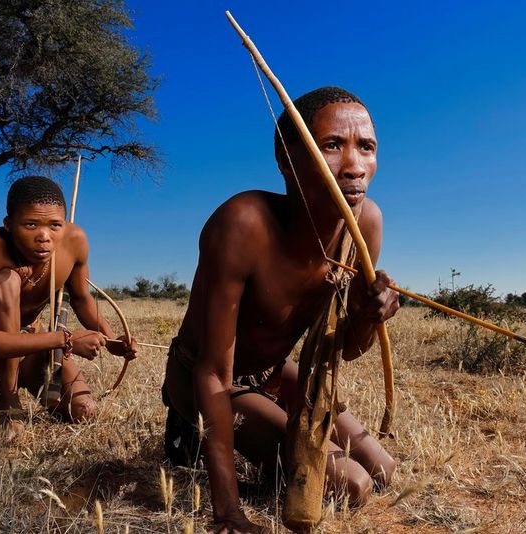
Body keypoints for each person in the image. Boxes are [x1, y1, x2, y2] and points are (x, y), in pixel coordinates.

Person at [162, 87, 400, 533]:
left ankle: (254, 428)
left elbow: (345, 349)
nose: (354, 166)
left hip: (275, 371)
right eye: (332, 145)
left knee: (386, 472)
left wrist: (369, 316)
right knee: (352, 484)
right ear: (288, 160)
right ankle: (188, 429)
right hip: (207, 379)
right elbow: (213, 372)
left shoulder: (366, 223)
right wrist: (228, 512)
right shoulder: (244, 223)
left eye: (366, 147)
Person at [0, 176, 137, 441]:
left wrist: (110, 339)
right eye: (30, 224)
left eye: (55, 225)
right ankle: (7, 399)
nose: (44, 237)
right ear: (8, 225)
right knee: (7, 282)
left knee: (83, 411)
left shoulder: (75, 240)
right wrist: (66, 339)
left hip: (34, 345)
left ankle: (25, 380)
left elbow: (82, 298)